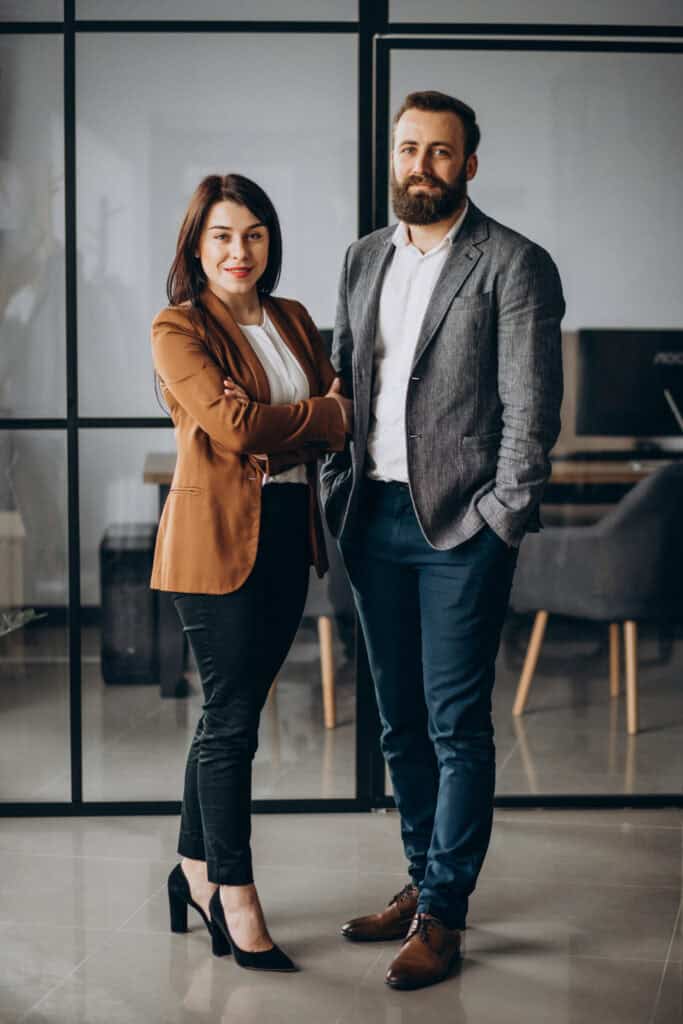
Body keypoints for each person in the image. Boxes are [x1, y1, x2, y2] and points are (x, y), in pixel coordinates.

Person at [321, 90, 565, 991]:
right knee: (398, 723)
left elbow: (530, 410)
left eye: (438, 151)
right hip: (371, 519)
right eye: (408, 148)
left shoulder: (513, 263)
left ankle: (444, 914)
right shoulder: (362, 257)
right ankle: (422, 879)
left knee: (455, 724)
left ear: (468, 164)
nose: (419, 165)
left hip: (463, 526)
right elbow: (343, 380)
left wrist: (501, 519)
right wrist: (337, 484)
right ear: (392, 156)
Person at [151, 173, 351, 973]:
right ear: (197, 247)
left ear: (270, 241)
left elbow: (337, 421)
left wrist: (286, 426)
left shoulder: (292, 317)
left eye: (254, 235)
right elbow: (234, 429)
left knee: (227, 714)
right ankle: (233, 894)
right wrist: (313, 417)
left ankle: (191, 869)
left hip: (285, 534)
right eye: (223, 236)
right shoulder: (178, 326)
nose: (240, 250)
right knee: (233, 722)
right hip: (211, 544)